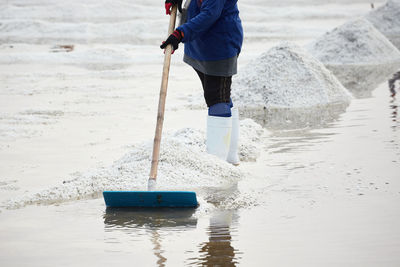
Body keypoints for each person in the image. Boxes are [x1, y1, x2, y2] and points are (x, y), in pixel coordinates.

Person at [161, 0, 243, 165]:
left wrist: (180, 34)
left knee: (217, 98)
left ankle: (217, 162)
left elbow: (210, 14)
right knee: (219, 95)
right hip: (200, 45)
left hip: (220, 45)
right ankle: (230, 157)